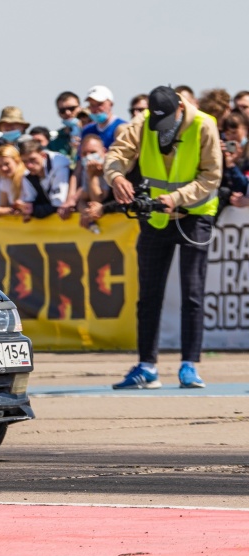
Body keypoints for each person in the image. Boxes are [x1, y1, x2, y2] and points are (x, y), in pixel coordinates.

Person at [104, 86, 222, 389]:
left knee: (192, 294)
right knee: (149, 296)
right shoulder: (143, 122)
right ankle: (147, 366)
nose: (160, 127)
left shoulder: (203, 124)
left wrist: (178, 197)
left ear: (180, 108)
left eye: (166, 121)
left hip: (195, 215)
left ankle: (189, 366)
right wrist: (116, 177)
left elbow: (212, 175)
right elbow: (116, 154)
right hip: (156, 216)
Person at [18, 140, 72, 219]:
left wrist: (33, 210)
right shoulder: (27, 175)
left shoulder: (59, 165)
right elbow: (29, 202)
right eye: (24, 161)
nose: (29, 165)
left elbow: (58, 203)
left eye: (32, 159)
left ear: (43, 155)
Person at [48, 91, 82, 158]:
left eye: (72, 108)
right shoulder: (55, 140)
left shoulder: (92, 131)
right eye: (62, 110)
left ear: (80, 108)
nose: (67, 113)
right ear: (58, 113)